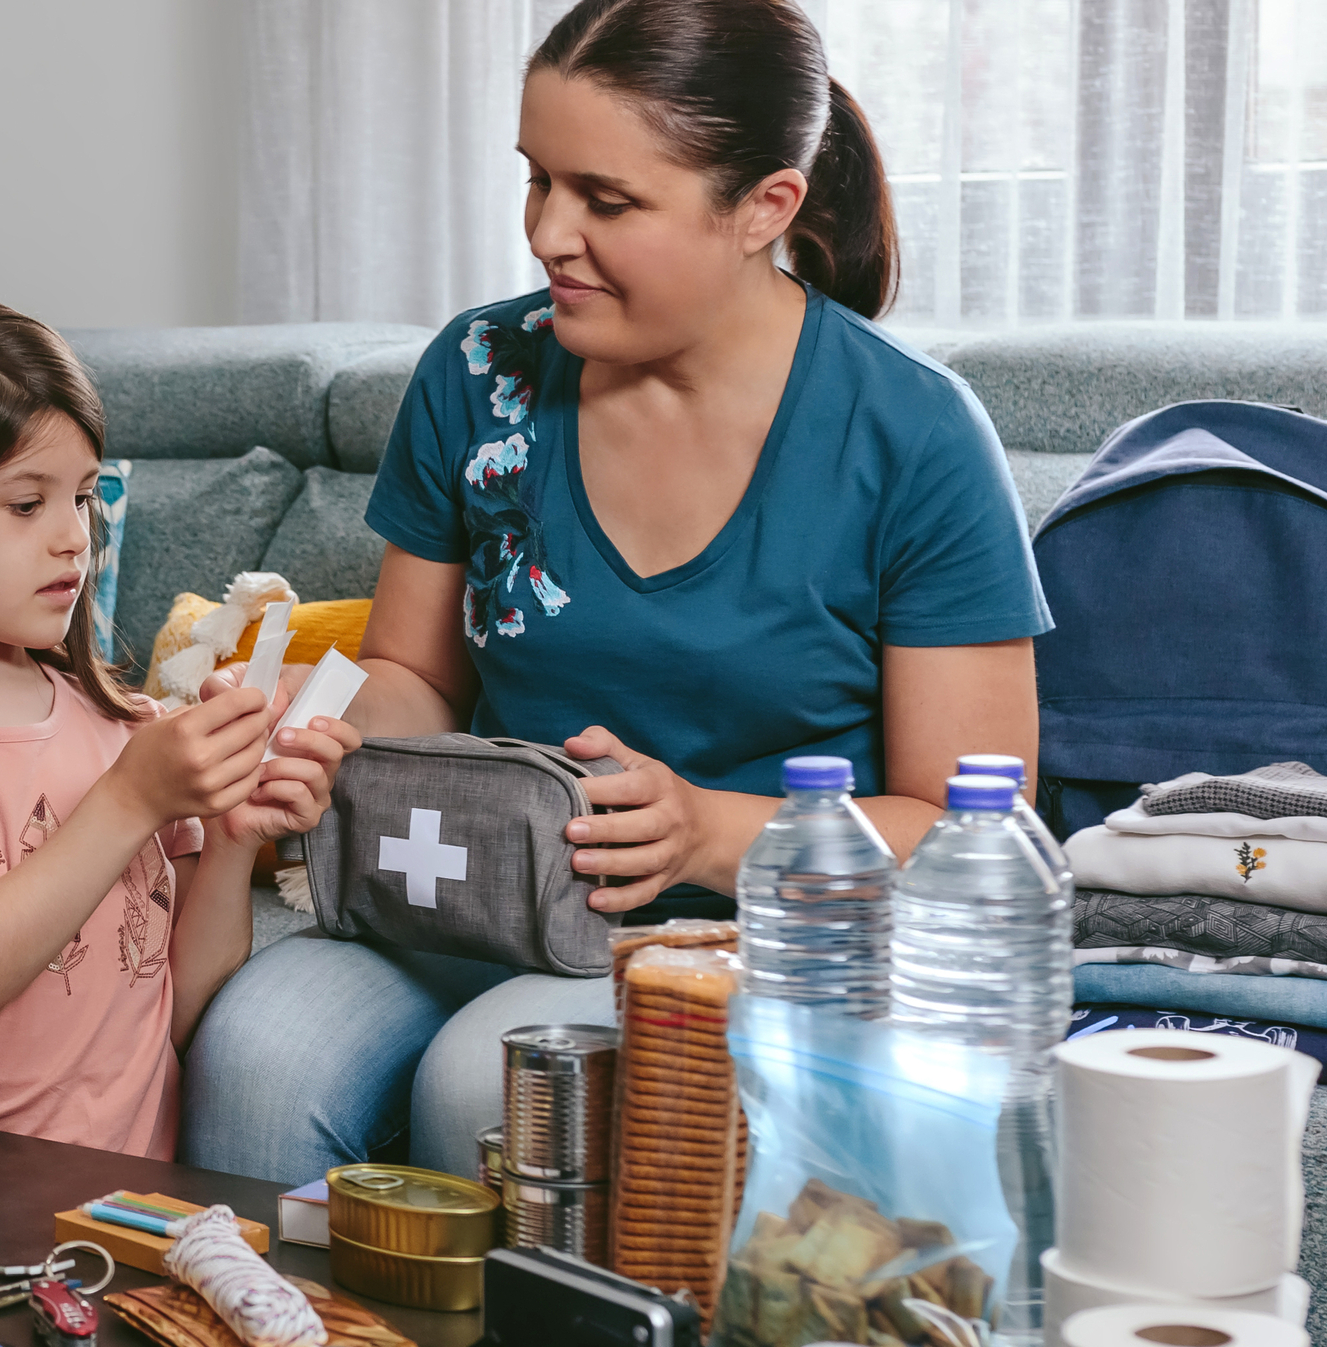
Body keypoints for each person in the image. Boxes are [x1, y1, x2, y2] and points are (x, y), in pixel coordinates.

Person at [180, 0, 1048, 1184]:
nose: (548, 232)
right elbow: (419, 679)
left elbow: (964, 824)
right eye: (537, 181)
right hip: (485, 899)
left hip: (739, 928)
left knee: (489, 1081)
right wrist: (318, 722)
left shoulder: (914, 435)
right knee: (256, 1055)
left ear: (765, 208)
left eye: (607, 199)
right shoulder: (479, 374)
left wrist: (701, 825)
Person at [0, 292, 362, 1159]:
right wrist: (128, 803)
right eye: (24, 504)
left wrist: (232, 835)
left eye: (80, 498)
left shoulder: (125, 726)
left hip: (119, 1202)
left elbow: (176, 1006)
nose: (72, 539)